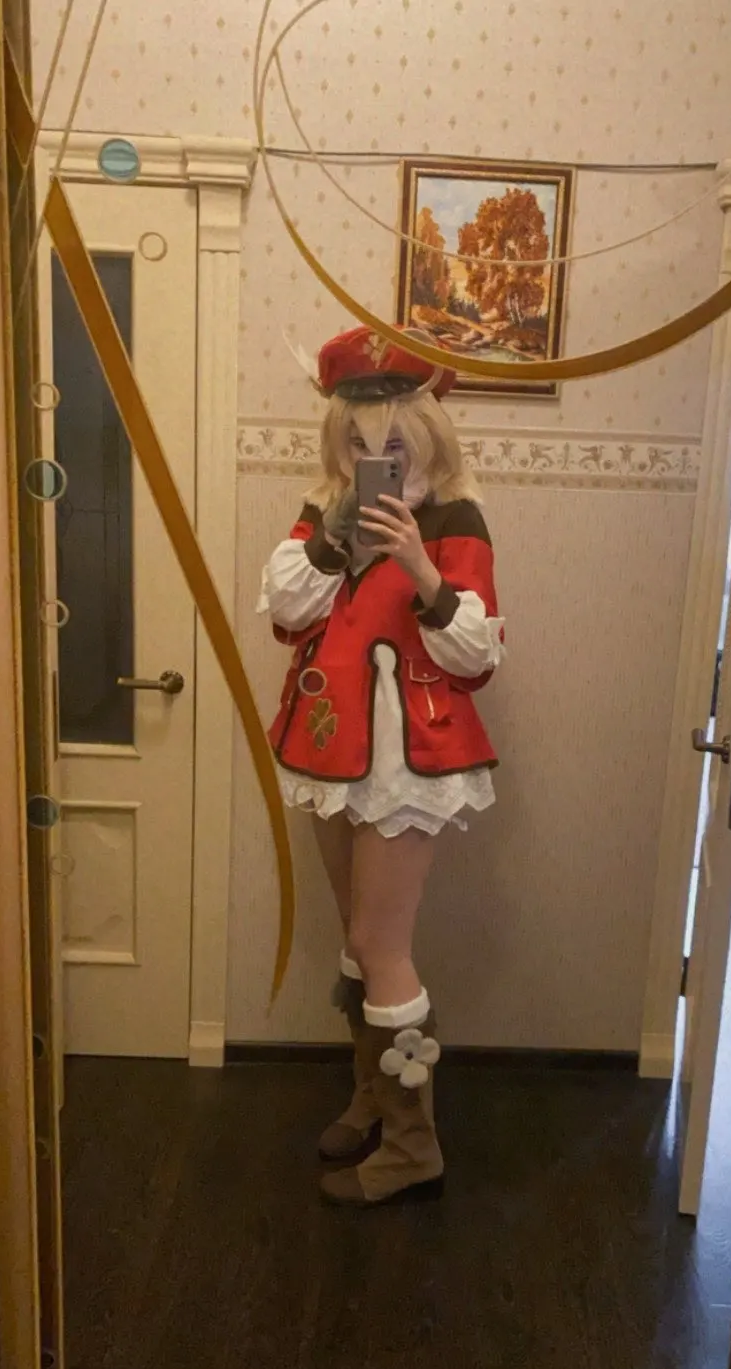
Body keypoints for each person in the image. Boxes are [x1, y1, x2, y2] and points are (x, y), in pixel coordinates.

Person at [257, 325, 504, 1207]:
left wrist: (420, 569)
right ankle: (371, 1092)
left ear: (427, 431)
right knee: (356, 938)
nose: (380, 457)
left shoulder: (454, 518)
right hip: (329, 747)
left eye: (396, 439)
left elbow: (478, 653)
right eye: (364, 442)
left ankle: (411, 1143)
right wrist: (334, 540)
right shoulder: (324, 512)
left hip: (406, 759)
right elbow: (285, 609)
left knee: (380, 943)